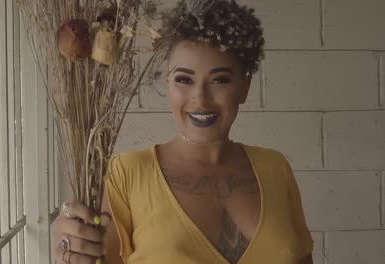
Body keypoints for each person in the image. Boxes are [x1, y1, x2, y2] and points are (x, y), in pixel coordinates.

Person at [52, 0, 314, 263]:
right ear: (169, 85)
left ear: (244, 87)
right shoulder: (127, 175)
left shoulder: (276, 168)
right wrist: (71, 249)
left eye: (220, 80)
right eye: (184, 80)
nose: (200, 98)